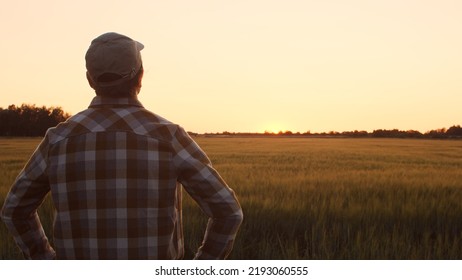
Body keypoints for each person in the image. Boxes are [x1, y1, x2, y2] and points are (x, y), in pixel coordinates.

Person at [1, 32, 243, 260]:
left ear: (89, 79)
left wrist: (45, 261)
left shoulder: (58, 140)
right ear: (141, 75)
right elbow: (228, 212)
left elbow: (14, 210)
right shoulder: (168, 137)